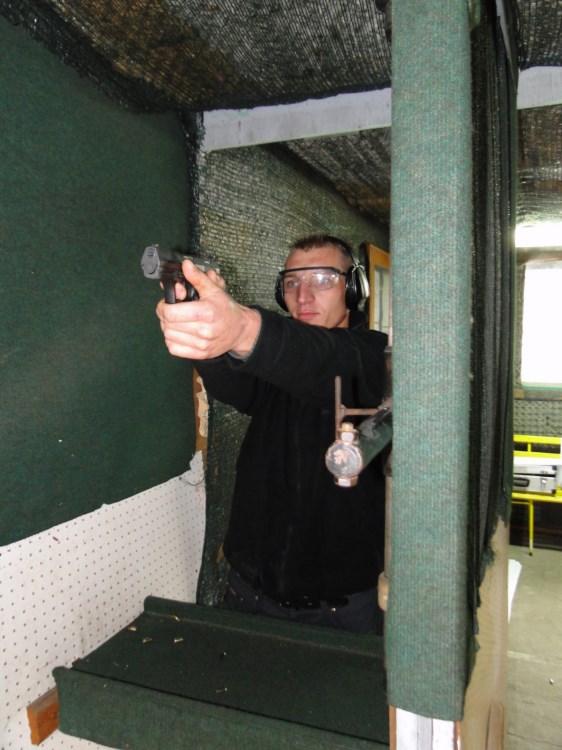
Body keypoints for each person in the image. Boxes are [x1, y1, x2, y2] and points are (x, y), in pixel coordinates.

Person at [156, 234, 388, 634]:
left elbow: (326, 360)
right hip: (248, 593)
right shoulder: (278, 362)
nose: (303, 295)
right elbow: (236, 383)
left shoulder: (373, 356)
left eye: (322, 279)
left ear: (354, 288)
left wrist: (243, 327)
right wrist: (205, 331)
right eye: (292, 282)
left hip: (343, 611)